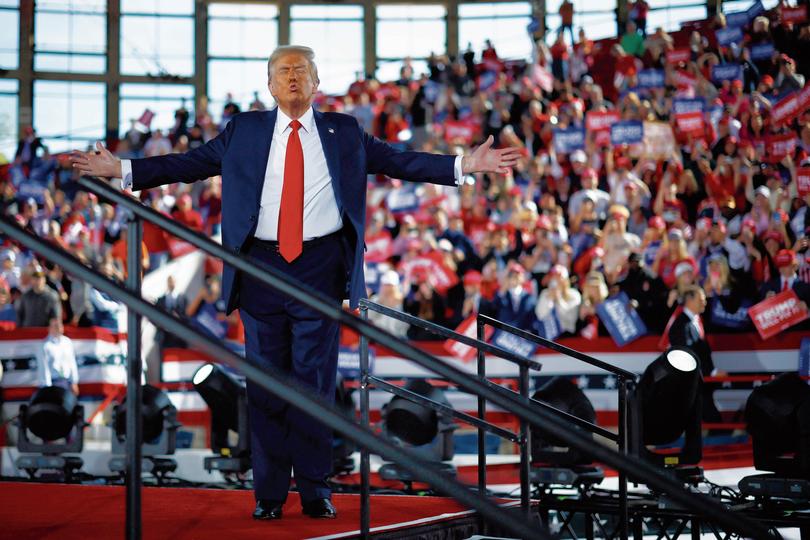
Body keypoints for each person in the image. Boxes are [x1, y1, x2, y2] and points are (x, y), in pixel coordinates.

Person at [70, 45, 518, 521]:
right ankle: (268, 494)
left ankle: (314, 489)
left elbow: (398, 160)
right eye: (282, 71)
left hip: (319, 269)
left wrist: (462, 166)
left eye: (300, 71)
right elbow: (188, 164)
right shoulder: (244, 130)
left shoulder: (343, 131)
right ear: (269, 84)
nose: (291, 78)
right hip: (259, 268)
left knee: (313, 385)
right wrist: (121, 169)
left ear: (316, 82)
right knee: (265, 385)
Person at [667, 285, 722, 425]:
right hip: (693, 384)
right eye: (701, 299)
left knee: (711, 420)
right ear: (690, 300)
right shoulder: (681, 325)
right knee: (712, 421)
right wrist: (713, 372)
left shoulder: (695, 322)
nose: (704, 302)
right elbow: (688, 355)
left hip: (700, 383)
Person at [35, 317, 79, 396]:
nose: (59, 328)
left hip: (66, 382)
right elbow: (43, 368)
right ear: (49, 328)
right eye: (55, 326)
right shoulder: (45, 345)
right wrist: (47, 388)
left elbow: (72, 362)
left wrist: (74, 382)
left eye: (60, 325)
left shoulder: (67, 342)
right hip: (53, 383)